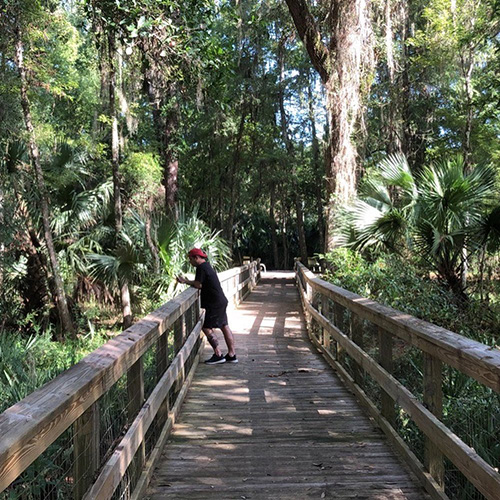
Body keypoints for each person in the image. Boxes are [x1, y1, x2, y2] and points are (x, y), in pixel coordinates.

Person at [177, 248, 238, 365]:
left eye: (190, 259)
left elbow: (198, 284)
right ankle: (232, 354)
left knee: (206, 327)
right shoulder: (207, 266)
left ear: (196, 258)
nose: (190, 262)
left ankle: (218, 354)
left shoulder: (201, 268)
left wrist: (185, 281)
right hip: (220, 301)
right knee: (224, 325)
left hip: (214, 303)